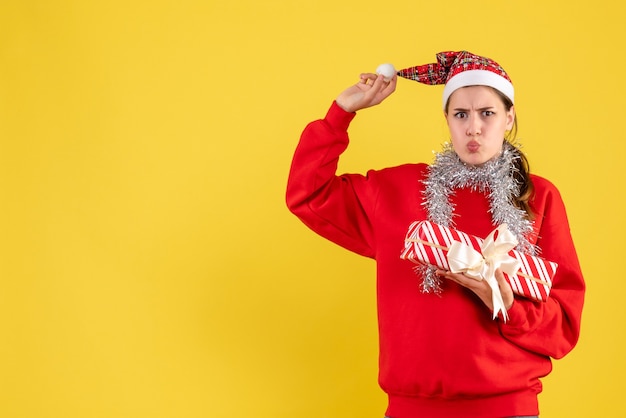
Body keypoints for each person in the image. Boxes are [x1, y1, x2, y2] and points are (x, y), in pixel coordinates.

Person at [285, 51, 585, 418]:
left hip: (507, 408)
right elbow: (308, 194)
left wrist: (507, 306)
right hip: (412, 409)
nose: (473, 127)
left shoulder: (539, 197)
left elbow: (564, 326)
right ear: (447, 119)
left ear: (509, 118)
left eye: (487, 113)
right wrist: (342, 112)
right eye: (461, 114)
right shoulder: (395, 190)